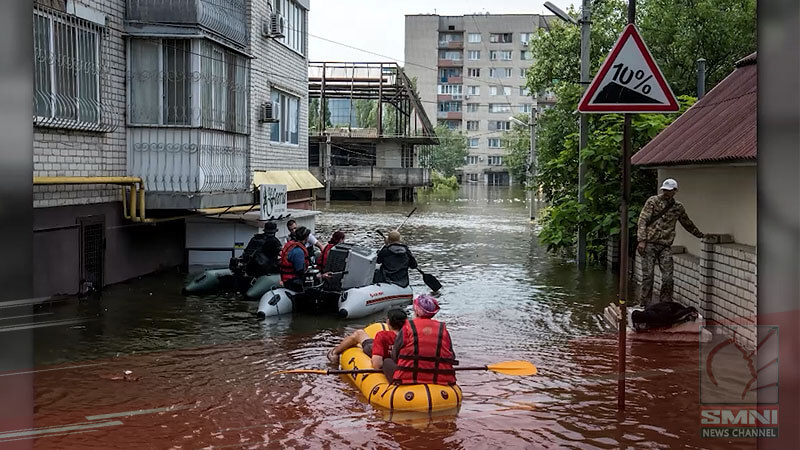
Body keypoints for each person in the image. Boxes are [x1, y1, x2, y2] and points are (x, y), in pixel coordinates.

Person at [636, 178, 705, 305]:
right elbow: (642, 221)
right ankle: (644, 304)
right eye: (664, 190)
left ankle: (665, 303)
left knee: (668, 277)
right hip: (650, 244)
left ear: (675, 191)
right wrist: (642, 240)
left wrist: (700, 235)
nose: (666, 193)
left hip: (665, 245)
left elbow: (687, 223)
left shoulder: (678, 207)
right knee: (648, 276)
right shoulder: (653, 201)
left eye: (669, 191)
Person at [381, 294, 457, 385]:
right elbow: (452, 356)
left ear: (416, 311)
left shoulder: (408, 327)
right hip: (440, 379)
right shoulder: (442, 329)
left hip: (408, 379)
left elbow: (395, 355)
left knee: (387, 362)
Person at [327, 308, 407, 369]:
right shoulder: (410, 336)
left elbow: (377, 365)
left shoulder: (382, 336)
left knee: (359, 334)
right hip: (397, 362)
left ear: (388, 322)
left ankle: (334, 353)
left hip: (379, 354)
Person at [278, 226, 311, 292]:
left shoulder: (290, 245)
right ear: (306, 237)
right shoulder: (298, 251)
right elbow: (299, 270)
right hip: (292, 280)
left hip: (284, 277)